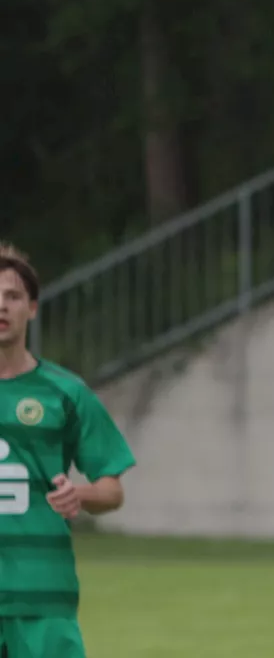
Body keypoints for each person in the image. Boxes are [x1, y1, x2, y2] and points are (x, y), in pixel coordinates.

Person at [0, 243, 136, 658]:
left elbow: (113, 490)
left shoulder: (66, 393)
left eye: (12, 296)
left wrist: (81, 494)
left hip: (43, 595)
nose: (1, 306)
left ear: (33, 309)